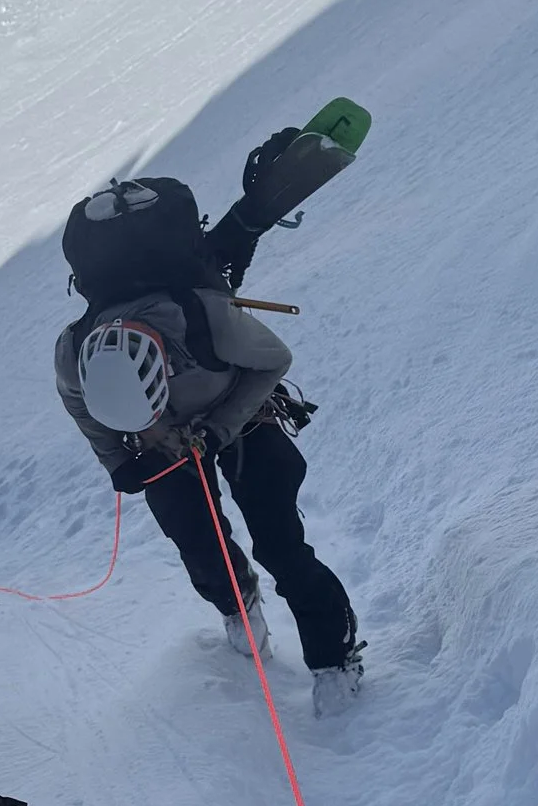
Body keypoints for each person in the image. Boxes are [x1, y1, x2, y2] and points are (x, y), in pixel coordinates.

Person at [55, 134, 364, 710]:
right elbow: (81, 409)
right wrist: (124, 459)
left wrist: (218, 428)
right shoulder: (75, 353)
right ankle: (238, 604)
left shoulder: (205, 318)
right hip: (159, 447)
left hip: (240, 416)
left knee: (281, 545)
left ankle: (334, 655)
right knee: (199, 545)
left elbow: (273, 362)